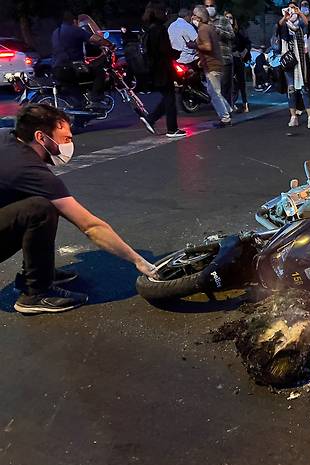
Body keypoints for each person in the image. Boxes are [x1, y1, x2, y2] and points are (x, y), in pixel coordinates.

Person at [0, 104, 156, 314]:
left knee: (35, 201)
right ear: (41, 137)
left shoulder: (6, 138)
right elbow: (91, 226)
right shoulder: (28, 170)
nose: (70, 144)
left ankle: (39, 272)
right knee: (39, 209)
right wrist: (139, 261)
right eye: (66, 138)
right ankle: (36, 292)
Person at [51, 11, 113, 108]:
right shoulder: (75, 30)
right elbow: (96, 39)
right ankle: (95, 99)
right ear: (74, 21)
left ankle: (81, 115)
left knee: (77, 95)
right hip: (72, 68)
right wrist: (110, 44)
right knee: (99, 72)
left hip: (57, 69)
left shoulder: (56, 32)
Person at [142, 2, 186, 138]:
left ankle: (151, 118)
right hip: (163, 68)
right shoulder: (159, 29)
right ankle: (172, 129)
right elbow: (164, 50)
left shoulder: (149, 29)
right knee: (170, 97)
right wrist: (176, 53)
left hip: (155, 68)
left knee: (168, 97)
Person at [189, 6, 232, 126]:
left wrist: (194, 46)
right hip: (214, 63)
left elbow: (208, 47)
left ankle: (225, 118)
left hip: (212, 65)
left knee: (214, 93)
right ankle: (228, 110)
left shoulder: (203, 29)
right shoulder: (209, 28)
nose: (192, 18)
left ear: (199, 17)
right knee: (213, 91)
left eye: (194, 15)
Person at [278, 2, 310, 128]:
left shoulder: (300, 24)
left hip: (301, 61)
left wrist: (299, 13)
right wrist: (285, 17)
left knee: (304, 88)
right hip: (288, 62)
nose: (292, 10)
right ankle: (293, 116)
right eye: (290, 8)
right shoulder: (285, 25)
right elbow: (279, 26)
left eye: (294, 7)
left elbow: (307, 24)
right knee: (291, 89)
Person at [204, 0, 235, 107]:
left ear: (215, 6)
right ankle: (223, 115)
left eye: (211, 6)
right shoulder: (203, 22)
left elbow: (232, 36)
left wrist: (218, 31)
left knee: (225, 88)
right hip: (210, 61)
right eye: (207, 6)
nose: (209, 8)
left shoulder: (223, 20)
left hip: (224, 59)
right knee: (214, 90)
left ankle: (228, 114)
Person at [226, 11, 251, 112]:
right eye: (226, 17)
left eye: (230, 17)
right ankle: (231, 103)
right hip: (228, 59)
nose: (229, 19)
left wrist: (244, 52)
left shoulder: (238, 31)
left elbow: (247, 43)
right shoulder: (222, 32)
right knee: (229, 83)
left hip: (237, 59)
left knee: (241, 82)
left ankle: (245, 103)